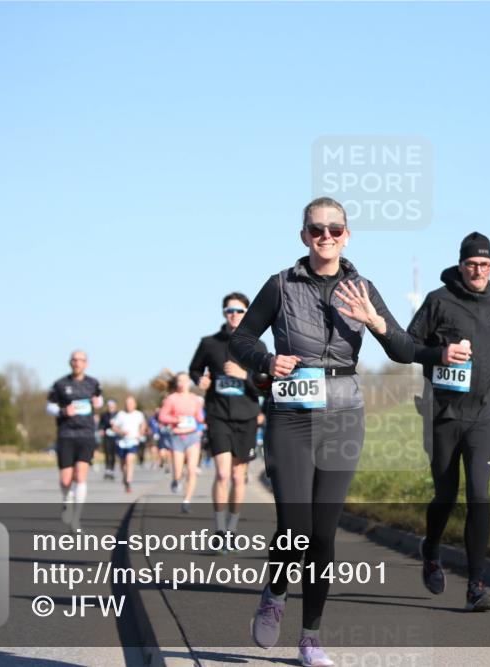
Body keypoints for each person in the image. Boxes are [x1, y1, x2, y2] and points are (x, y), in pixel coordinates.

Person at [230, 196, 416, 667]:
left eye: (334, 229)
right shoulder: (280, 285)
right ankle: (275, 592)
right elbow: (241, 340)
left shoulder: (364, 288)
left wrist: (374, 321)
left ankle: (310, 639)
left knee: (323, 535)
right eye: (317, 229)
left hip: (344, 417)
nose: (326, 236)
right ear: (304, 236)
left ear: (347, 236)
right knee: (296, 529)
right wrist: (267, 360)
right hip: (291, 415)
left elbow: (405, 350)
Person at [408, 232, 490, 612]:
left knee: (479, 495)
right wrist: (440, 354)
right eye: (472, 264)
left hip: (484, 416)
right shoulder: (438, 301)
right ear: (461, 265)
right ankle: (431, 549)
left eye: (484, 265)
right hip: (443, 415)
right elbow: (408, 345)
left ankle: (476, 587)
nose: (478, 271)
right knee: (445, 496)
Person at [189, 292, 268, 546]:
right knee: (222, 474)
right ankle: (220, 529)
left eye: (239, 311)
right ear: (224, 313)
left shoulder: (257, 346)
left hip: (246, 416)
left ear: (247, 314)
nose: (234, 315)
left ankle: (232, 528)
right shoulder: (209, 343)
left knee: (237, 476)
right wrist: (199, 380)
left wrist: (244, 376)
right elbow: (194, 369)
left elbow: (265, 386)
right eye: (229, 311)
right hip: (218, 415)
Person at [47, 350, 103, 530]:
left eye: (81, 360)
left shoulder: (93, 383)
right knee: (66, 480)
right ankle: (67, 499)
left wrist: (98, 403)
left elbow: (99, 400)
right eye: (74, 360)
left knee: (80, 476)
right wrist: (63, 411)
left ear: (86, 363)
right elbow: (49, 406)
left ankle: (76, 519)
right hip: (66, 434)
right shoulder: (60, 384)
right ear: (70, 362)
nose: (77, 363)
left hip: (86, 434)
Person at [158, 372, 205, 513]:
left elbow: (200, 417)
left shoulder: (195, 399)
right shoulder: (171, 399)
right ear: (176, 383)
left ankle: (187, 501)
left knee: (192, 470)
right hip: (177, 437)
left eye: (185, 380)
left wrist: (205, 419)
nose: (182, 383)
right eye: (180, 381)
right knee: (178, 471)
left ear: (189, 382)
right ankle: (176, 480)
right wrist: (175, 420)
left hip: (192, 436)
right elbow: (162, 416)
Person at [112, 395, 147, 492]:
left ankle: (128, 481)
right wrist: (121, 432)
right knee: (122, 464)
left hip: (133, 441)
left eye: (131, 403)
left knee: (129, 460)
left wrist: (140, 433)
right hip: (122, 442)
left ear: (135, 404)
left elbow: (143, 425)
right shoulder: (121, 414)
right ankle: (125, 476)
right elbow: (114, 427)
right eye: (127, 404)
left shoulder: (138, 414)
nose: (129, 405)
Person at [97, 399, 119, 480]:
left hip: (115, 436)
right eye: (109, 406)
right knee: (107, 452)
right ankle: (107, 469)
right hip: (107, 436)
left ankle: (112, 469)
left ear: (115, 406)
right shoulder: (104, 415)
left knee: (113, 453)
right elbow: (101, 424)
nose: (110, 407)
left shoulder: (119, 414)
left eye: (112, 406)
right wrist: (101, 430)